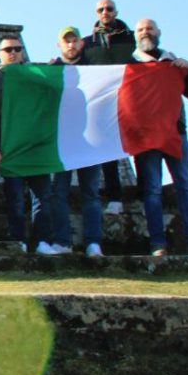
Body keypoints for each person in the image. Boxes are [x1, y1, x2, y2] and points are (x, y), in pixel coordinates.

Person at [129, 18, 188, 257]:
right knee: (152, 190)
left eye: (149, 28)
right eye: (141, 29)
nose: (146, 32)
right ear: (135, 35)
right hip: (147, 138)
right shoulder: (128, 66)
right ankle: (157, 244)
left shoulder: (174, 64)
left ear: (158, 32)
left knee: (186, 188)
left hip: (176, 133)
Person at [0, 35, 61, 254]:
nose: (12, 53)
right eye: (7, 50)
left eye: (17, 49)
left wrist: (57, 69)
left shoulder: (36, 77)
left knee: (42, 198)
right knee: (15, 199)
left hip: (36, 149)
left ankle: (42, 240)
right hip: (10, 150)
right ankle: (19, 240)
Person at [48, 27, 104, 257]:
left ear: (81, 44)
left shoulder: (97, 70)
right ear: (59, 45)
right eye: (66, 41)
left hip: (90, 141)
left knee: (90, 192)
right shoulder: (51, 71)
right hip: (62, 143)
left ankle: (93, 242)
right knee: (58, 192)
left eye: (74, 41)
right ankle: (62, 240)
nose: (70, 45)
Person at [81, 0, 135, 216]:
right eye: (101, 9)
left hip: (131, 99)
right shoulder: (88, 43)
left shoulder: (133, 39)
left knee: (139, 145)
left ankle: (140, 193)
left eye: (109, 9)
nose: (105, 12)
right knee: (107, 150)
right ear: (96, 13)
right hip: (103, 102)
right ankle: (114, 196)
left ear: (116, 11)